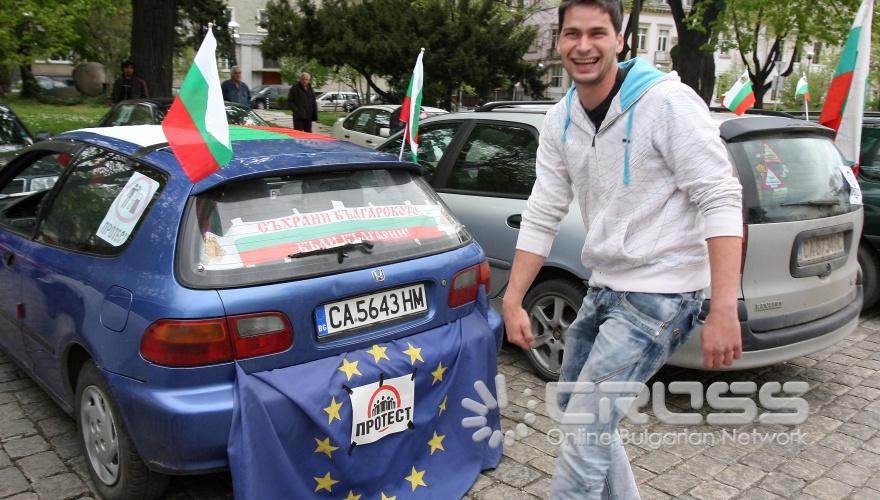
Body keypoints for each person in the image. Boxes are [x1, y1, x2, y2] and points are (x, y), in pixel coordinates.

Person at [500, 1, 743, 498]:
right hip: (606, 287)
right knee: (578, 413)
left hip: (664, 295)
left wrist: (723, 309)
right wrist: (511, 298)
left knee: (584, 429)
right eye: (572, 34)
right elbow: (544, 209)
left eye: (596, 33)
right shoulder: (560, 118)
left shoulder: (667, 103)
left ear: (620, 40)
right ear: (560, 42)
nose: (583, 46)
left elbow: (720, 197)